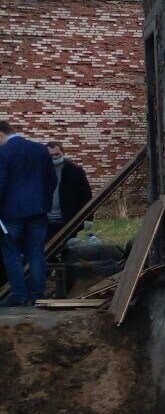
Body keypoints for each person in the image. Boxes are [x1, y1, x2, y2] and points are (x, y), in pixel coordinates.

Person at [0, 120, 57, 307]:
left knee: (12, 253)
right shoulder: (40, 150)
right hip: (38, 211)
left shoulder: (4, 152)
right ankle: (38, 294)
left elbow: (1, 184)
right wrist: (45, 204)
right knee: (36, 253)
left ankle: (19, 295)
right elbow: (52, 180)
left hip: (11, 212)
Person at [46, 141, 93, 236]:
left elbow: (86, 196)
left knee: (67, 247)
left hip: (68, 220)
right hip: (46, 220)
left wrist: (88, 218)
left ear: (63, 153)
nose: (54, 157)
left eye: (57, 154)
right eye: (51, 155)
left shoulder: (75, 171)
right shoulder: (41, 171)